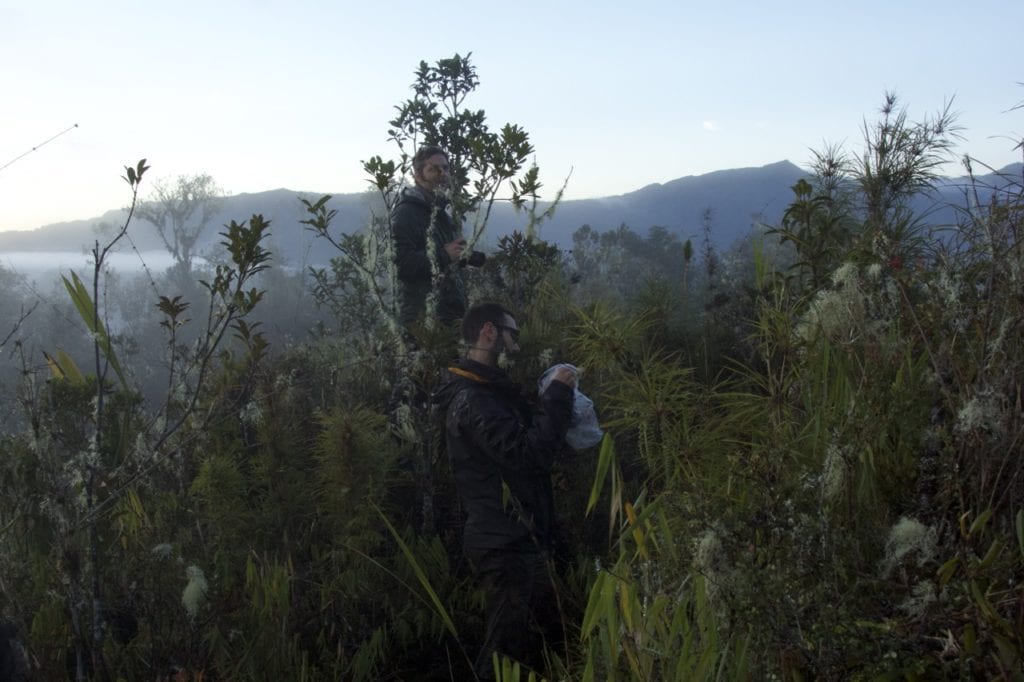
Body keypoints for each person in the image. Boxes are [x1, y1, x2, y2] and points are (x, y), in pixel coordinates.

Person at [432, 302, 577, 678]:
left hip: (517, 537)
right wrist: (558, 396)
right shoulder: (473, 398)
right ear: (489, 332)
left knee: (536, 643)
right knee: (504, 656)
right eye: (511, 331)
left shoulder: (487, 391)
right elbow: (529, 455)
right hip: (504, 543)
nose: (515, 340)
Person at [391, 145, 485, 327]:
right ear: (418, 175)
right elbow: (400, 264)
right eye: (433, 169)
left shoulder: (439, 211)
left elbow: (444, 254)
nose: (442, 173)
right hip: (422, 321)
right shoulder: (407, 213)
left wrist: (466, 256)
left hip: (449, 313)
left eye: (445, 168)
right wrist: (444, 255)